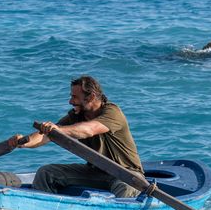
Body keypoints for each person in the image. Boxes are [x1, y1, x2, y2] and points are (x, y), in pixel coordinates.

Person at [8, 75, 143, 198]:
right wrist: (23, 143)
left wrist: (58, 130)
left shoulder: (112, 112)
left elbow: (89, 130)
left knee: (125, 187)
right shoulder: (76, 115)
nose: (70, 101)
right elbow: (47, 136)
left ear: (90, 97)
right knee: (46, 173)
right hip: (96, 172)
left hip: (127, 174)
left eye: (74, 97)